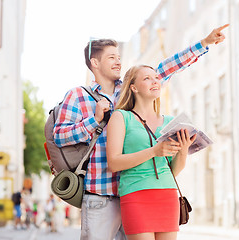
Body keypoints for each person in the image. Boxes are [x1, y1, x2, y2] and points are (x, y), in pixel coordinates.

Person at [53, 24, 229, 240]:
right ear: (95, 63)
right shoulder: (78, 96)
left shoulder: (127, 90)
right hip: (102, 193)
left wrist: (204, 43)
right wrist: (94, 120)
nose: (118, 61)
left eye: (119, 56)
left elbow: (168, 67)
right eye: (111, 57)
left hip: (135, 189)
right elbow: (59, 136)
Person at [106, 64, 196, 240]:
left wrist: (183, 149)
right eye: (147, 78)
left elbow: (173, 171)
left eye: (156, 78)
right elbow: (114, 163)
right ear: (133, 87)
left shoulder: (170, 122)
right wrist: (154, 151)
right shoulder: (121, 117)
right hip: (136, 195)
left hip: (167, 195)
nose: (155, 81)